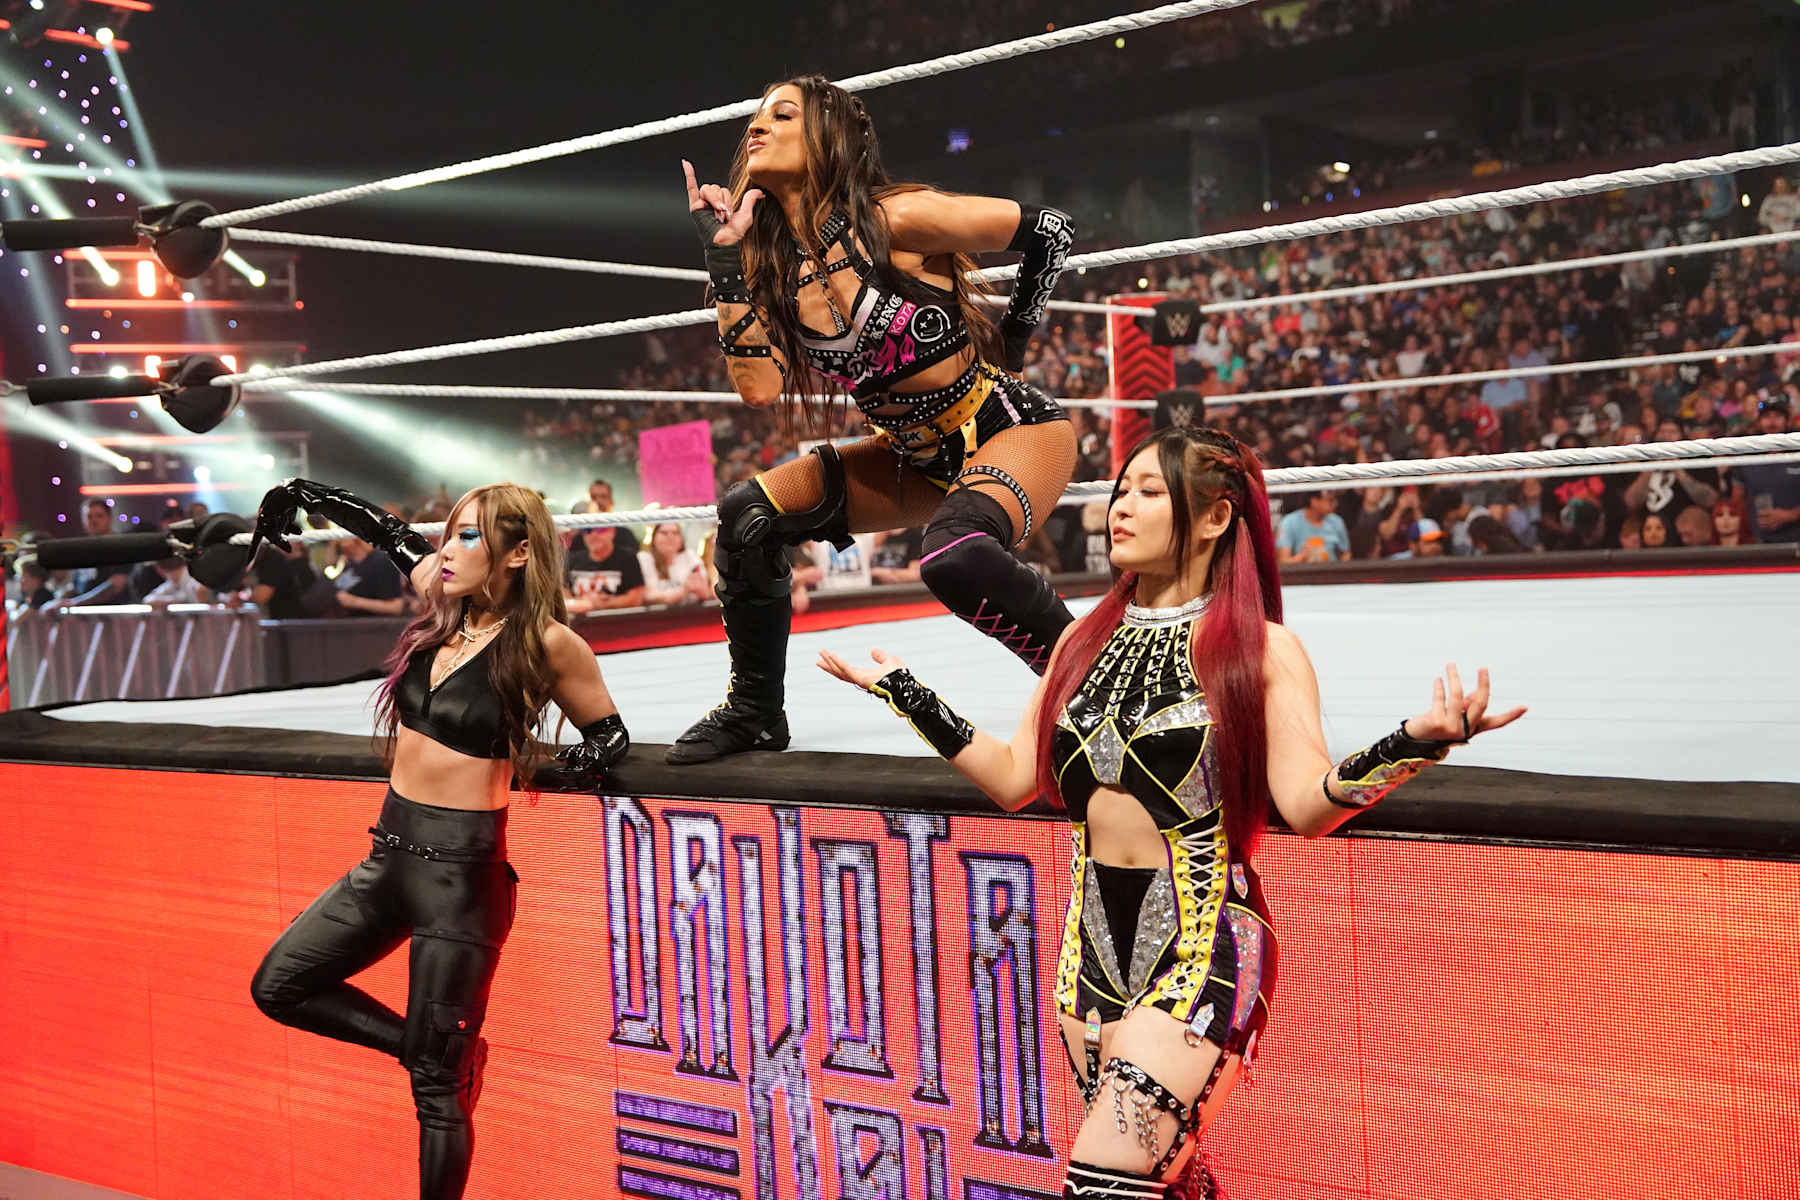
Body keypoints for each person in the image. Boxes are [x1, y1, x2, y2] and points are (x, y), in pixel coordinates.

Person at [819, 425, 1523, 1198]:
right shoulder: (1081, 642)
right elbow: (1017, 779)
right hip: (1086, 961)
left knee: (1099, 1185)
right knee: (1169, 1187)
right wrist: (905, 692)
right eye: (1123, 490)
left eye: (1149, 492)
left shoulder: (1260, 648)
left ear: (1216, 518)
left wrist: (1413, 744)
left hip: (1202, 950)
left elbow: (1306, 803)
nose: (1122, 507)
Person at [671, 74, 1077, 763]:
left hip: (1009, 426)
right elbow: (760, 389)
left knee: (956, 556)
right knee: (746, 517)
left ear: (827, 135)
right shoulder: (764, 265)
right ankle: (755, 713)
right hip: (909, 455)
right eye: (756, 118)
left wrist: (1014, 336)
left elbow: (1051, 229)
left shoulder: (895, 219)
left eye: (783, 114)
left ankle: (1092, 695)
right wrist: (726, 262)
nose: (756, 128)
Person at [246, 479, 628, 1200]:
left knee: (434, 1096)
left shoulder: (549, 644)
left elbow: (609, 736)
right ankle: (444, 1056)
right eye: (451, 533)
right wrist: (300, 492)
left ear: (518, 554)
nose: (447, 550)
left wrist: (558, 767)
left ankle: (440, 1066)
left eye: (469, 537)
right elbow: (390, 530)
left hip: (462, 880)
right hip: (387, 856)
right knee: (279, 986)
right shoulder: (443, 596)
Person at [566, 524, 646, 612]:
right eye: (587, 530)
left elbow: (636, 597)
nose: (593, 535)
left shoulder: (628, 558)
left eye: (600, 530)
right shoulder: (571, 559)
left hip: (614, 620)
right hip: (578, 620)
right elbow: (562, 591)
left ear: (612, 532)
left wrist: (604, 604)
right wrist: (578, 604)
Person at [637, 522, 709, 606]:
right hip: (655, 617)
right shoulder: (644, 558)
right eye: (664, 533)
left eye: (675, 533)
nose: (670, 537)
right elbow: (647, 596)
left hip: (690, 614)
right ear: (653, 537)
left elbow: (704, 593)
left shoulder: (690, 556)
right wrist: (683, 590)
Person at [1274, 490, 1350, 563]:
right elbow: (1283, 561)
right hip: (1302, 572)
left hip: (1332, 572)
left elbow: (1346, 554)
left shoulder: (1337, 521)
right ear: (1314, 501)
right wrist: (1301, 557)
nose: (1335, 504)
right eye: (1330, 500)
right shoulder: (1289, 522)